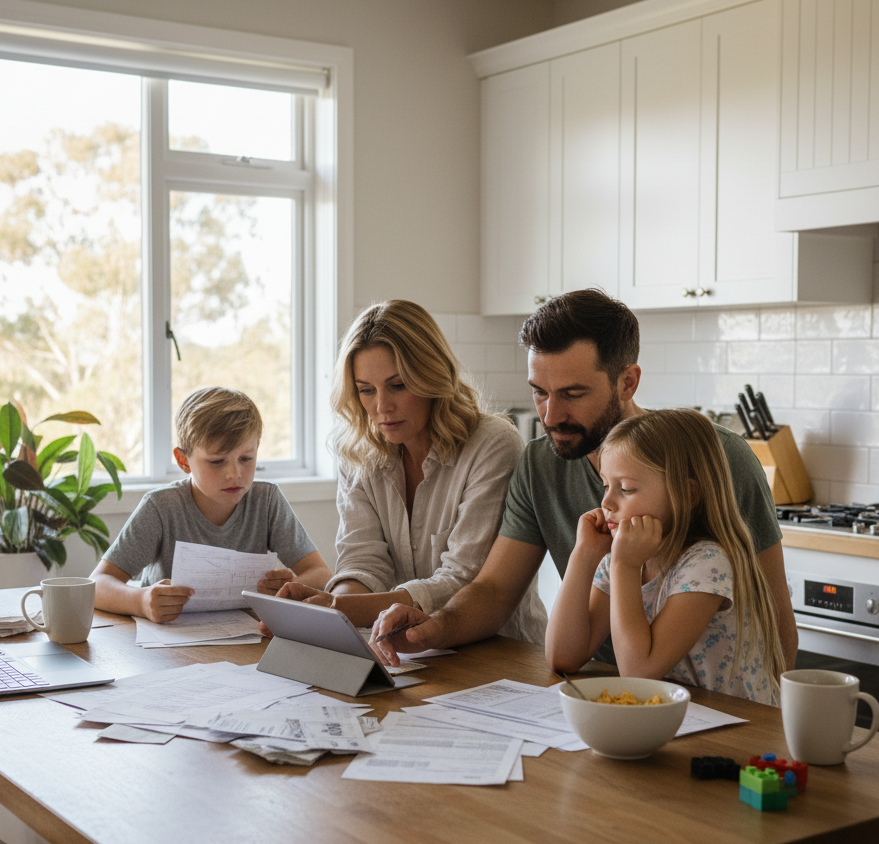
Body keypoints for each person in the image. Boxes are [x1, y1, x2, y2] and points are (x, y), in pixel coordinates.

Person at [371, 288, 798, 670]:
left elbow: (775, 615)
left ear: (627, 382)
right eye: (539, 391)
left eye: (573, 394)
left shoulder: (716, 458)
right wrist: (433, 629)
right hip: (613, 690)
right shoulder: (540, 464)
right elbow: (496, 590)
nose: (550, 416)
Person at [275, 299, 547, 643]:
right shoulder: (358, 453)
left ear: (432, 374)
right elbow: (363, 563)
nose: (381, 407)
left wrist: (340, 608)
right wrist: (331, 605)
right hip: (410, 649)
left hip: (500, 651)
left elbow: (465, 581)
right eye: (365, 390)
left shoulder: (491, 444)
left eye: (398, 385)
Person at [547, 409, 785, 704]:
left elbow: (638, 673)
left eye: (627, 489)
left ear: (685, 494)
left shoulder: (706, 562)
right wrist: (583, 554)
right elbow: (563, 657)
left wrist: (626, 566)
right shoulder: (622, 560)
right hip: (677, 720)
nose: (606, 502)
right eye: (606, 485)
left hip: (733, 727)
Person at [92, 387, 331, 623]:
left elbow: (322, 575)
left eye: (246, 459)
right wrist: (141, 601)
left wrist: (290, 587)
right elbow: (96, 585)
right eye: (217, 461)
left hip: (244, 639)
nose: (234, 474)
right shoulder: (161, 507)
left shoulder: (266, 500)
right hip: (167, 643)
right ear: (183, 461)